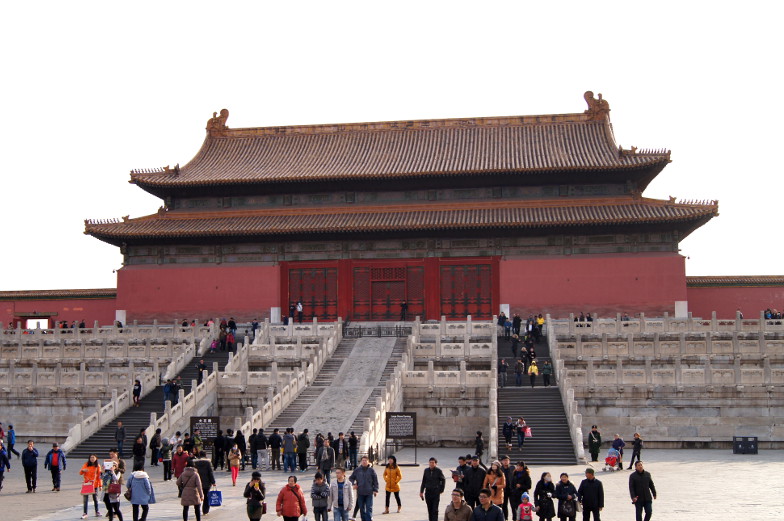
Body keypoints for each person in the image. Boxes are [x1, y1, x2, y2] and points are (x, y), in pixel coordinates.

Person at [349, 455, 379, 521]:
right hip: (360, 492)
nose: (364, 462)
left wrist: (375, 490)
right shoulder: (357, 470)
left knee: (369, 508)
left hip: (369, 492)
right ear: (361, 462)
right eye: (363, 460)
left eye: (365, 460)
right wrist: (353, 484)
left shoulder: (371, 470)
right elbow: (351, 478)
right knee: (362, 509)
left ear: (368, 462)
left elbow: (375, 480)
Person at [420, 457, 445, 521]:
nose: (431, 464)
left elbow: (443, 479)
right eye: (430, 462)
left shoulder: (438, 471)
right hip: (428, 492)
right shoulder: (426, 470)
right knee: (430, 509)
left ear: (436, 464)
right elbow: (423, 481)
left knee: (435, 509)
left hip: (435, 492)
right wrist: (421, 491)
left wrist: (441, 489)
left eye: (433, 463)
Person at [79, 454, 102, 518]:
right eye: (91, 457)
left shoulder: (98, 466)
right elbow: (80, 473)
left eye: (93, 457)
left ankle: (97, 511)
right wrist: (83, 470)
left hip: (95, 484)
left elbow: (99, 476)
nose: (92, 459)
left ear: (96, 458)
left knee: (95, 499)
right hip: (87, 484)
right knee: (85, 499)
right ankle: (85, 513)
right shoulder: (86, 464)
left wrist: (100, 485)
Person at [194, 451, 216, 516]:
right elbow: (210, 473)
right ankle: (205, 510)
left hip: (198, 482)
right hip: (207, 482)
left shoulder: (196, 463)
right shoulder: (208, 463)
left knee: (198, 496)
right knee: (206, 497)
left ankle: (197, 509)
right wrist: (213, 482)